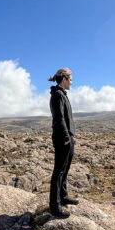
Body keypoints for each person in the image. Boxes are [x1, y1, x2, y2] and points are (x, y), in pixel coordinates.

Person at [48, 68, 78, 218]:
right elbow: (59, 119)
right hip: (62, 139)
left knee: (64, 170)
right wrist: (66, 137)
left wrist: (70, 137)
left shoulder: (62, 94)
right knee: (58, 172)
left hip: (67, 138)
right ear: (64, 79)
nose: (72, 83)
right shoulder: (58, 95)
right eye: (71, 80)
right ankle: (55, 207)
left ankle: (63, 196)